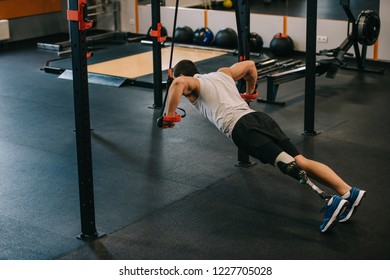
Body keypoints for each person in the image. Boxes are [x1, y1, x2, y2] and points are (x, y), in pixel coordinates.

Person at [161, 59, 366, 233]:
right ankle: (348, 191)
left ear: (186, 76)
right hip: (259, 118)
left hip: (242, 128)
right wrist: (250, 92)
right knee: (300, 160)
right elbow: (250, 66)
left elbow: (178, 83)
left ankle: (330, 201)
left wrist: (169, 116)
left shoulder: (191, 85)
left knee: (288, 165)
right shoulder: (222, 74)